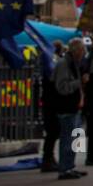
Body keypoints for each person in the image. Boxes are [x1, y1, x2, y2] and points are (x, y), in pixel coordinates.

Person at [52, 37, 89, 179]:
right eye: (82, 50)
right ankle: (64, 168)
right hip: (66, 108)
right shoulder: (64, 64)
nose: (83, 53)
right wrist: (79, 82)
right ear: (76, 51)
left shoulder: (74, 63)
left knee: (76, 139)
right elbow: (62, 87)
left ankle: (71, 165)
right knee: (67, 139)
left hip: (75, 107)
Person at [40, 40, 66, 172]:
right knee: (54, 132)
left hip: (51, 103)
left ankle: (50, 158)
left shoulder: (51, 66)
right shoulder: (51, 67)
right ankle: (49, 159)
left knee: (54, 132)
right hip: (52, 104)